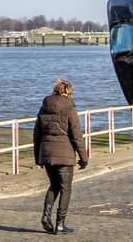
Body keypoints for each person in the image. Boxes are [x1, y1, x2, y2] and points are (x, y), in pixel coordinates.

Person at [34, 78, 88, 234]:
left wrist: (38, 157)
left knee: (54, 185)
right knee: (66, 188)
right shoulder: (70, 108)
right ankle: (60, 223)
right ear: (68, 92)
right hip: (64, 155)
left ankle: (45, 216)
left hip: (47, 153)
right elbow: (76, 135)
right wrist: (83, 158)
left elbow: (36, 134)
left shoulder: (44, 107)